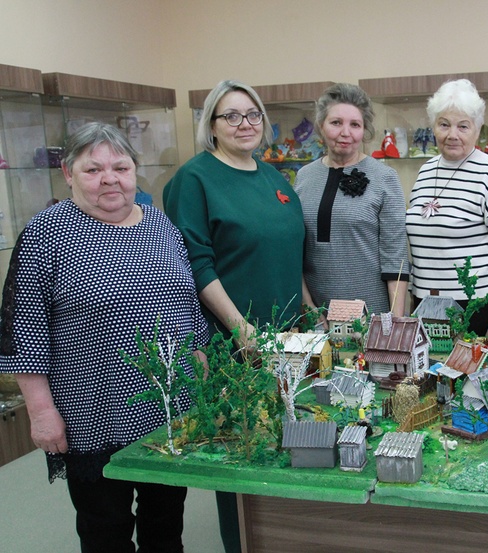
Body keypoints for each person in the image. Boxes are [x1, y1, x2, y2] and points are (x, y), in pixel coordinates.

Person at [0, 122, 209, 553]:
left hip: (167, 411)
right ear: (68, 173)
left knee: (166, 524)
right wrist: (40, 412)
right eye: (93, 169)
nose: (109, 179)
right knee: (105, 531)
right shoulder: (46, 233)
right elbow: (23, 330)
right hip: (92, 415)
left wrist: (199, 365)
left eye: (120, 167)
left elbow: (188, 303)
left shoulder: (160, 225)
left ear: (135, 171)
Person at [163, 79, 304, 553]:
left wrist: (307, 313)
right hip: (234, 346)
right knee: (244, 453)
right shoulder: (194, 179)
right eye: (231, 116)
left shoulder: (273, 177)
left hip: (288, 340)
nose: (245, 124)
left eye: (253, 114)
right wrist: (242, 330)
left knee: (292, 444)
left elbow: (291, 252)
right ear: (211, 125)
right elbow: (195, 262)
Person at [406, 79, 488, 335]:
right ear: (433, 126)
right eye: (444, 124)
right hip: (426, 305)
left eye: (463, 126)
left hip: (476, 308)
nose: (452, 134)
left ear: (477, 129)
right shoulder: (426, 171)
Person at [295, 83, 409, 318]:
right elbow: (295, 252)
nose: (345, 132)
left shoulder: (385, 178)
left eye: (355, 124)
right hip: (315, 314)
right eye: (336, 122)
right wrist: (310, 311)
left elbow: (395, 257)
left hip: (371, 314)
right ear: (321, 125)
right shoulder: (304, 176)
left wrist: (395, 322)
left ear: (364, 129)